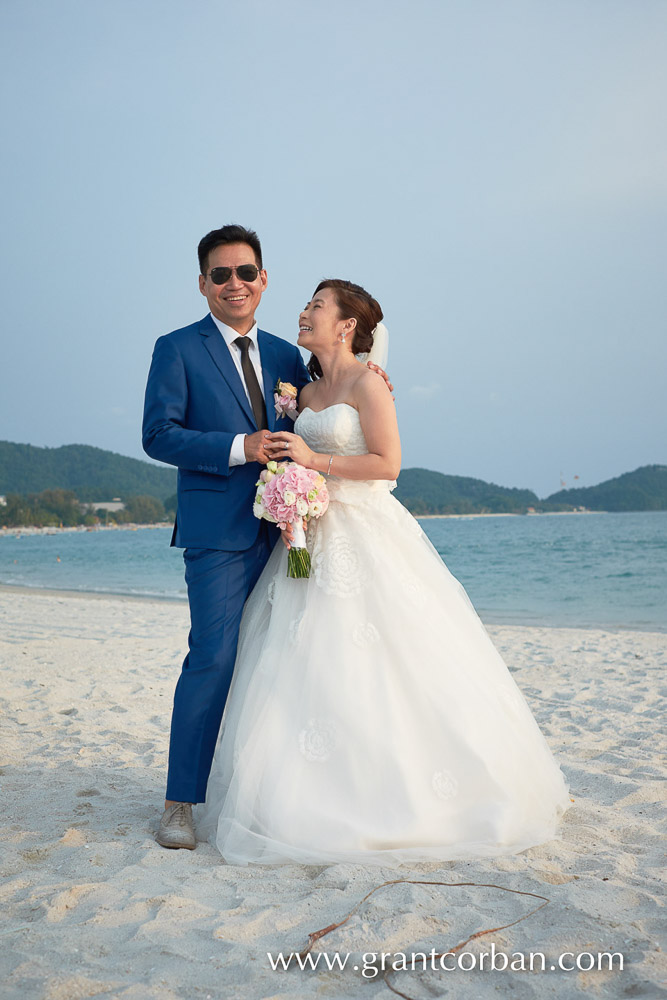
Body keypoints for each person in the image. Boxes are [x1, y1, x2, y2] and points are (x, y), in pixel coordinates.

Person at [195, 278, 571, 867]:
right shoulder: (305, 389)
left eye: (316, 306)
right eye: (307, 304)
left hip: (364, 531)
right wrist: (292, 490)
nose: (304, 312)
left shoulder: (370, 384)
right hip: (306, 538)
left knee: (390, 658)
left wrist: (314, 461)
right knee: (304, 662)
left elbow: (387, 462)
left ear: (346, 325)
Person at [142, 228, 391, 849]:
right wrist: (238, 447)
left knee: (288, 662)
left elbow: (336, 397)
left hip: (294, 531)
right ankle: (179, 802)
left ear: (263, 280)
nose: (235, 284)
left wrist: (368, 376)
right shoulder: (176, 350)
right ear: (202, 283)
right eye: (220, 274)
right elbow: (159, 435)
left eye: (245, 272)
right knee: (215, 657)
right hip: (218, 533)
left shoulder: (286, 354)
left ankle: (284, 792)